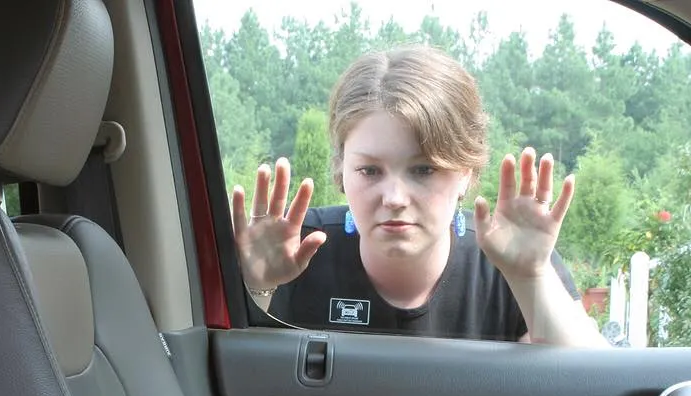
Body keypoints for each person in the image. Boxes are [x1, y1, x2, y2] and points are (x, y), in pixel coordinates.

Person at [231, 45, 606, 346]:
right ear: (341, 171)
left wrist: (530, 277)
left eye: (423, 169)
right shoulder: (290, 252)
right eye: (370, 170)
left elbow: (594, 386)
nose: (394, 197)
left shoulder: (509, 261)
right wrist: (253, 285)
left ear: (467, 174)